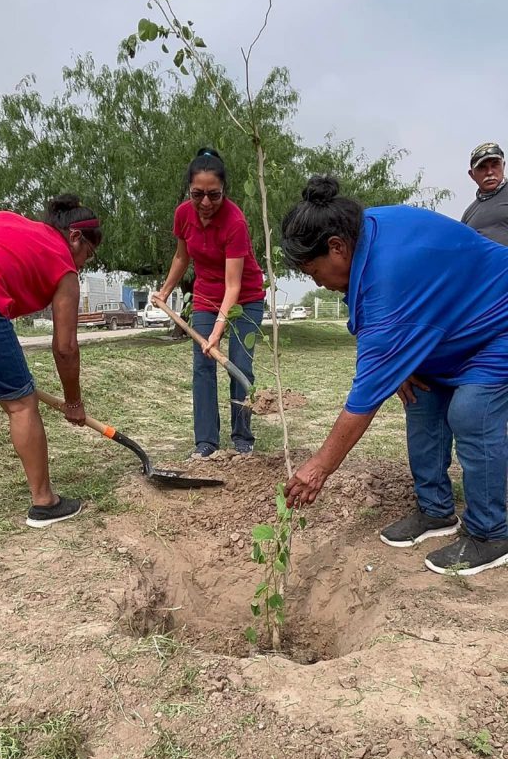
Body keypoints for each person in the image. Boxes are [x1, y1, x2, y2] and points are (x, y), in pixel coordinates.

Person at [280, 176, 508, 577]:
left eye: (312, 270)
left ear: (336, 247)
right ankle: (436, 512)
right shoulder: (365, 229)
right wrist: (401, 361)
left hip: (496, 324)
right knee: (419, 399)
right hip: (448, 327)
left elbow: (363, 399)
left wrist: (318, 467)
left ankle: (491, 534)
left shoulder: (389, 278)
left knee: (472, 412)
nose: (315, 281)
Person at [0, 194, 102, 528]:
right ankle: (45, 502)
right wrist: (73, 402)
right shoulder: (64, 266)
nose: (82, 263)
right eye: (88, 255)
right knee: (21, 404)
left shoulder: (8, 220)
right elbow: (65, 348)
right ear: (75, 237)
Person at [154, 148, 265, 457]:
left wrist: (217, 331)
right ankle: (206, 442)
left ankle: (242, 437)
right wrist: (164, 291)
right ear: (189, 190)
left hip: (245, 297)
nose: (205, 203)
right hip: (205, 296)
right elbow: (181, 255)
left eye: (213, 195)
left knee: (239, 365)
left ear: (224, 190)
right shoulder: (183, 215)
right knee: (203, 365)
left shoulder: (235, 222)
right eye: (197, 194)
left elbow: (234, 285)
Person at [461, 142, 508, 245]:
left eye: (495, 165)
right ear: (472, 174)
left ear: (503, 166)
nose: (489, 172)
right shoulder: (468, 214)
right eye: (482, 167)